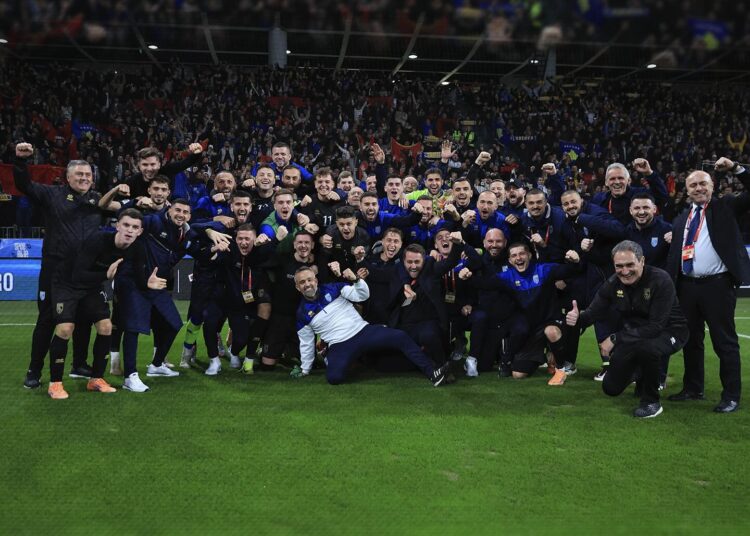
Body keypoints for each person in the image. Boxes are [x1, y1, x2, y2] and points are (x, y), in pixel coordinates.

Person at [14, 143, 104, 389]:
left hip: (85, 271)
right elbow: (24, 185)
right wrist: (21, 162)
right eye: (79, 174)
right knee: (47, 320)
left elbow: (124, 211)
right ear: (68, 177)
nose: (84, 178)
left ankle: (79, 364)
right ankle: (34, 370)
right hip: (55, 271)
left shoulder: (98, 200)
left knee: (84, 318)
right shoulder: (52, 194)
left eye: (88, 175)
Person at [566, 240, 688, 418]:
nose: (625, 271)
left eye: (630, 265)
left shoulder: (660, 279)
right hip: (634, 335)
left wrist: (615, 338)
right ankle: (641, 374)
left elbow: (655, 327)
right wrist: (576, 319)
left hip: (670, 331)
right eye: (619, 266)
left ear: (642, 261)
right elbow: (593, 313)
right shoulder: (612, 283)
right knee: (611, 388)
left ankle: (651, 402)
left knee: (649, 348)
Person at [665, 158, 750, 413]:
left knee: (724, 342)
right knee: (690, 340)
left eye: (703, 183)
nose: (699, 188)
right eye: (693, 185)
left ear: (712, 186)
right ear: (687, 190)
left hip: (717, 286)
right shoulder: (683, 218)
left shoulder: (725, 207)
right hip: (687, 287)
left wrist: (736, 168)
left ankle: (731, 396)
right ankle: (693, 388)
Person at [46, 209, 148, 398]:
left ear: (140, 231)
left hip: (92, 286)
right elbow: (77, 274)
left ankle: (96, 379)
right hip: (66, 282)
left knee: (106, 326)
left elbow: (139, 278)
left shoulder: (137, 248)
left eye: (135, 227)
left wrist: (150, 283)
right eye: (126, 225)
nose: (129, 230)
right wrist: (105, 275)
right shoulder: (98, 240)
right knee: (65, 328)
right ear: (117, 226)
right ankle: (55, 383)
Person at [292, 266, 451, 386]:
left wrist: (356, 280)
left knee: (400, 336)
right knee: (334, 378)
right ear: (297, 287)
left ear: (316, 280)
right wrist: (305, 369)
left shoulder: (334, 288)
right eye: (302, 282)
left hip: (363, 331)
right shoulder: (301, 314)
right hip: (339, 344)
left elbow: (362, 295)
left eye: (309, 280)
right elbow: (306, 343)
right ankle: (354, 359)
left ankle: (432, 372)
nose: (307, 284)